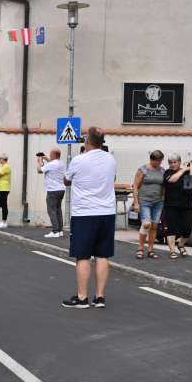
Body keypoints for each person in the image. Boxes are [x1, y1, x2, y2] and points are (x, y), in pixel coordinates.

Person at [61, 126, 117, 309]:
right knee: (102, 255)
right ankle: (100, 297)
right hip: (107, 212)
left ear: (87, 141)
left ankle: (82, 297)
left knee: (83, 256)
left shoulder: (79, 160)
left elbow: (66, 180)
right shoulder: (111, 159)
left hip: (85, 213)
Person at [132, 150, 166, 259]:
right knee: (146, 224)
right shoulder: (143, 170)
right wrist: (136, 203)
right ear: (152, 160)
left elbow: (164, 186)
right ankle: (140, 248)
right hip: (144, 201)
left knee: (155, 226)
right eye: (159, 161)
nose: (160, 164)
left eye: (161, 161)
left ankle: (150, 250)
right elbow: (135, 186)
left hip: (158, 202)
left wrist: (164, 199)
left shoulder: (162, 170)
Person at [163, 155, 192, 259]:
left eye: (175, 162)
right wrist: (183, 170)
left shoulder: (187, 172)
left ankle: (181, 244)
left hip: (186, 205)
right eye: (171, 163)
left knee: (187, 229)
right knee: (171, 228)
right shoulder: (167, 173)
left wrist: (191, 165)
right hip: (171, 205)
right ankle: (172, 251)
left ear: (179, 162)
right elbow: (173, 180)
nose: (173, 164)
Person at [37, 149, 66, 237]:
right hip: (61, 189)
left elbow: (39, 170)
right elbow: (51, 163)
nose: (49, 156)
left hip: (52, 190)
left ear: (53, 155)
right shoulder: (61, 163)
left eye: (50, 154)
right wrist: (46, 158)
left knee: (51, 210)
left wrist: (39, 162)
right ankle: (60, 231)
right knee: (58, 210)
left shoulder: (52, 164)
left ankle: (55, 231)